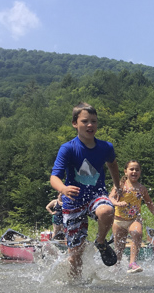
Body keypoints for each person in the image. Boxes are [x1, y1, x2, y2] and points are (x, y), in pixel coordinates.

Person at [50, 102, 120, 277]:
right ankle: (77, 289)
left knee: (107, 210)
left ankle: (101, 241)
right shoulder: (68, 148)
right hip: (73, 202)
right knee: (75, 256)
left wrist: (117, 186)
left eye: (94, 121)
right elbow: (54, 177)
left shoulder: (106, 147)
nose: (90, 125)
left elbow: (112, 164)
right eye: (85, 121)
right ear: (75, 123)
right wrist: (63, 189)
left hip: (96, 195)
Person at [110, 160, 154, 274]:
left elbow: (149, 203)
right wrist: (118, 203)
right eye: (131, 169)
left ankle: (132, 263)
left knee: (137, 233)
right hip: (119, 220)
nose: (134, 172)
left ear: (140, 172)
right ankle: (116, 268)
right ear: (125, 171)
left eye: (137, 170)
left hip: (134, 219)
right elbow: (110, 198)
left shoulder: (141, 188)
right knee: (119, 248)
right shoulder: (120, 185)